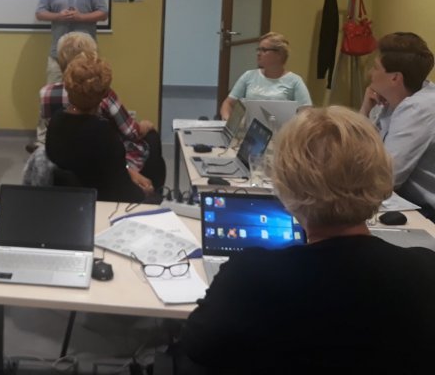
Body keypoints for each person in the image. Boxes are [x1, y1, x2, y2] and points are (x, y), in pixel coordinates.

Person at [180, 106, 435, 373]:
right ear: (381, 178)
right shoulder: (425, 273)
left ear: (284, 187)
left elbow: (198, 345)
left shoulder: (249, 276)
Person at [39, 32, 165, 192]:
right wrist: (144, 194)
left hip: (68, 165)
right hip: (104, 173)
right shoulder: (104, 131)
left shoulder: (47, 98)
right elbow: (131, 133)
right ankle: (158, 192)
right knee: (152, 137)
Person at [45, 53, 146, 202]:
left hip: (69, 200)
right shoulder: (104, 134)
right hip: (105, 202)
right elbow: (121, 188)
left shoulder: (55, 122)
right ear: (104, 93)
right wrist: (144, 193)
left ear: (68, 88)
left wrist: (129, 172)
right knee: (152, 142)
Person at [359, 32, 435, 219]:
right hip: (409, 202)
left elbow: (384, 179)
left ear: (395, 78)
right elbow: (358, 152)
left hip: (427, 211)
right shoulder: (392, 101)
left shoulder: (419, 108)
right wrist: (365, 109)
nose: (370, 74)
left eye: (375, 68)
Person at [220, 31, 312, 119]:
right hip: (250, 128)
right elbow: (228, 104)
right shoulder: (248, 76)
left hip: (282, 129)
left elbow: (306, 112)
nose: (258, 54)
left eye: (264, 50)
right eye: (258, 49)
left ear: (279, 54)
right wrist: (227, 120)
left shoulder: (294, 80)